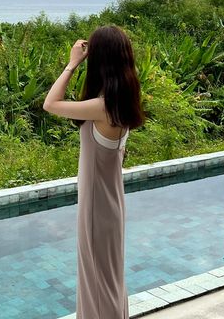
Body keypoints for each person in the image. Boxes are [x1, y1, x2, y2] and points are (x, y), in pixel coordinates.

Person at [43, 25, 145, 318]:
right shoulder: (123, 102)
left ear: (99, 60)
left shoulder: (102, 107)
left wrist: (72, 64)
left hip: (96, 207)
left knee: (98, 281)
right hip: (111, 203)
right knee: (108, 279)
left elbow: (50, 104)